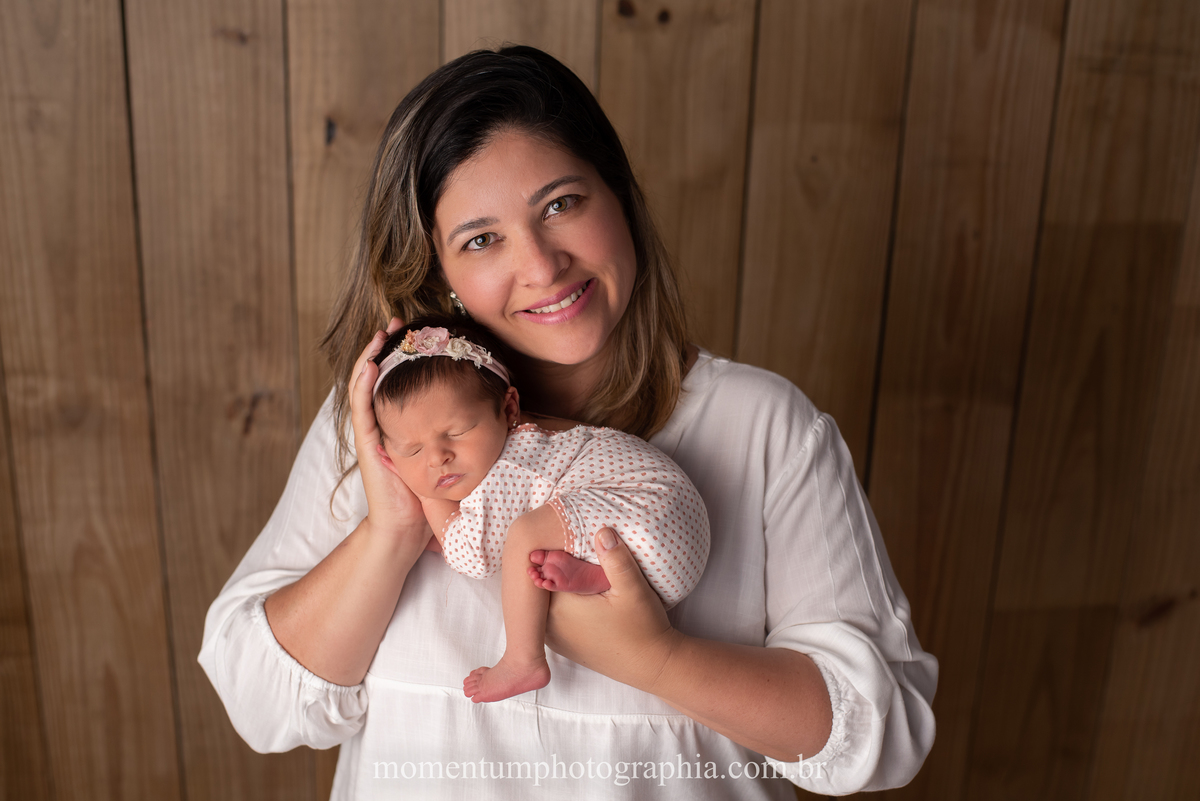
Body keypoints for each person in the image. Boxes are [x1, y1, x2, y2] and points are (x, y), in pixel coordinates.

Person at [198, 45, 937, 798]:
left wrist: (659, 659)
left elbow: (884, 734)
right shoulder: (386, 432)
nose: (544, 267)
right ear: (441, 277)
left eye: (560, 205)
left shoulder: (763, 425)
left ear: (621, 200)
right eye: (482, 239)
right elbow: (261, 704)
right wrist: (390, 530)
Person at [367, 315, 709, 703]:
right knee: (530, 543)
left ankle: (523, 660)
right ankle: (596, 576)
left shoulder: (509, 466)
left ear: (509, 409)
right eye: (412, 450)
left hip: (653, 515)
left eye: (457, 432)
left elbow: (471, 556)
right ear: (388, 456)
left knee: (527, 534)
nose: (438, 458)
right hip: (663, 539)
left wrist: (429, 497)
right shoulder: (533, 450)